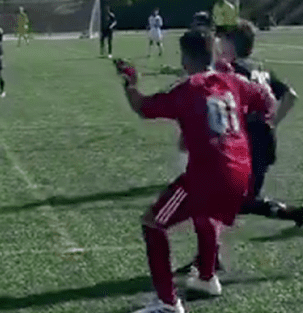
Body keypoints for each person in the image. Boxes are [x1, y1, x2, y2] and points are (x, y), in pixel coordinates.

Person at [116, 30, 277, 313]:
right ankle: (206, 277)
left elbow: (142, 107)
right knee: (206, 215)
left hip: (209, 174)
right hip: (242, 175)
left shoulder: (187, 88)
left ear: (185, 58)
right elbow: (267, 102)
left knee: (153, 223)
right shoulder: (233, 82)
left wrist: (131, 82)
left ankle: (168, 303)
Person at [174, 21, 303, 277]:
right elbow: (290, 95)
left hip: (246, 145)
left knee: (227, 200)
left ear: (232, 44)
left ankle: (302, 214)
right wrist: (272, 123)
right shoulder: (259, 70)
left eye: (224, 40)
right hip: (261, 142)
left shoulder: (231, 71)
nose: (220, 45)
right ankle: (209, 260)